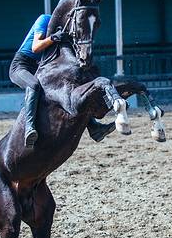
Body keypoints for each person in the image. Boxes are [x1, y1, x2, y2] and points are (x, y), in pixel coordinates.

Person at [9, 14, 115, 148]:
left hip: (40, 67)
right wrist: (53, 38)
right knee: (34, 85)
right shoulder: (44, 20)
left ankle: (94, 128)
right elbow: (35, 47)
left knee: (72, 91)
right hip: (21, 66)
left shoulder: (67, 29)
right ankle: (29, 128)